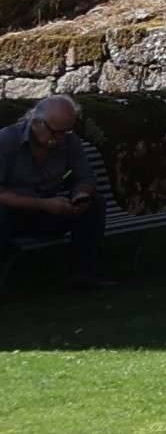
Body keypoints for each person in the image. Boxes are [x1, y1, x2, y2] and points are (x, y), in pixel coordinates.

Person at [0, 95, 109, 290]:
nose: (59, 139)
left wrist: (80, 196)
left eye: (65, 133)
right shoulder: (6, 141)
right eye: (55, 133)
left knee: (95, 204)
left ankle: (84, 274)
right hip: (14, 213)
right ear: (35, 124)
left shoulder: (68, 141)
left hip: (48, 212)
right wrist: (44, 204)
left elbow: (84, 177)